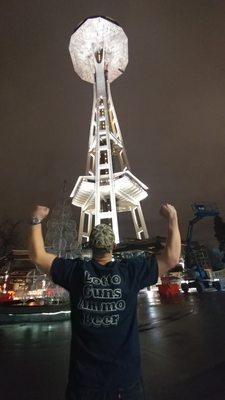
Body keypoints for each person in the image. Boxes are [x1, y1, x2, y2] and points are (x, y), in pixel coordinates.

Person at [28, 203, 181, 400]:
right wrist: (173, 217)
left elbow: (37, 256)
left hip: (84, 383)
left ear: (91, 245)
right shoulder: (130, 272)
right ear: (113, 246)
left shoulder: (75, 272)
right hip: (125, 382)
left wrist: (35, 219)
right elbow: (171, 257)